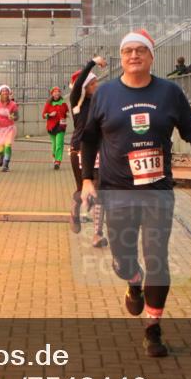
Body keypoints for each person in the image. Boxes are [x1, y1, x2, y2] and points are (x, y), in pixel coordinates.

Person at [80, 29, 191, 357]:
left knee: (158, 258)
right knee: (122, 260)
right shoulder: (105, 94)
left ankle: (153, 328)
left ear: (152, 57)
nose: (134, 56)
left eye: (141, 51)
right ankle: (133, 280)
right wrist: (86, 181)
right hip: (117, 190)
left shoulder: (169, 92)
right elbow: (88, 138)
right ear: (121, 58)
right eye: (128, 51)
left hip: (157, 191)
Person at [68, 56, 109, 247]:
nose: (97, 86)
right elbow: (77, 85)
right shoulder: (77, 102)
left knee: (100, 191)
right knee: (82, 191)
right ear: (84, 86)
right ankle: (75, 209)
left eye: (97, 82)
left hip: (99, 150)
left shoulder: (100, 102)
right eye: (93, 83)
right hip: (79, 150)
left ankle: (98, 234)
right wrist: (92, 62)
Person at [0, 84, 19, 172]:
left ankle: (6, 164)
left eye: (6, 91)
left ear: (9, 93)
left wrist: (13, 117)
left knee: (8, 145)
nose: (5, 93)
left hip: (9, 128)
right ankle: (1, 156)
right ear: (0, 93)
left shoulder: (13, 104)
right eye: (3, 91)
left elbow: (17, 116)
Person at [43, 85, 69, 170]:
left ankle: (58, 161)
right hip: (51, 126)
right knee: (54, 145)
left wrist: (67, 114)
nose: (57, 93)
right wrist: (50, 115)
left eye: (58, 91)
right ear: (52, 94)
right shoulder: (48, 103)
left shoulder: (63, 102)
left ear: (60, 93)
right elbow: (43, 115)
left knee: (59, 144)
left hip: (61, 126)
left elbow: (66, 110)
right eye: (55, 92)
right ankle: (54, 157)